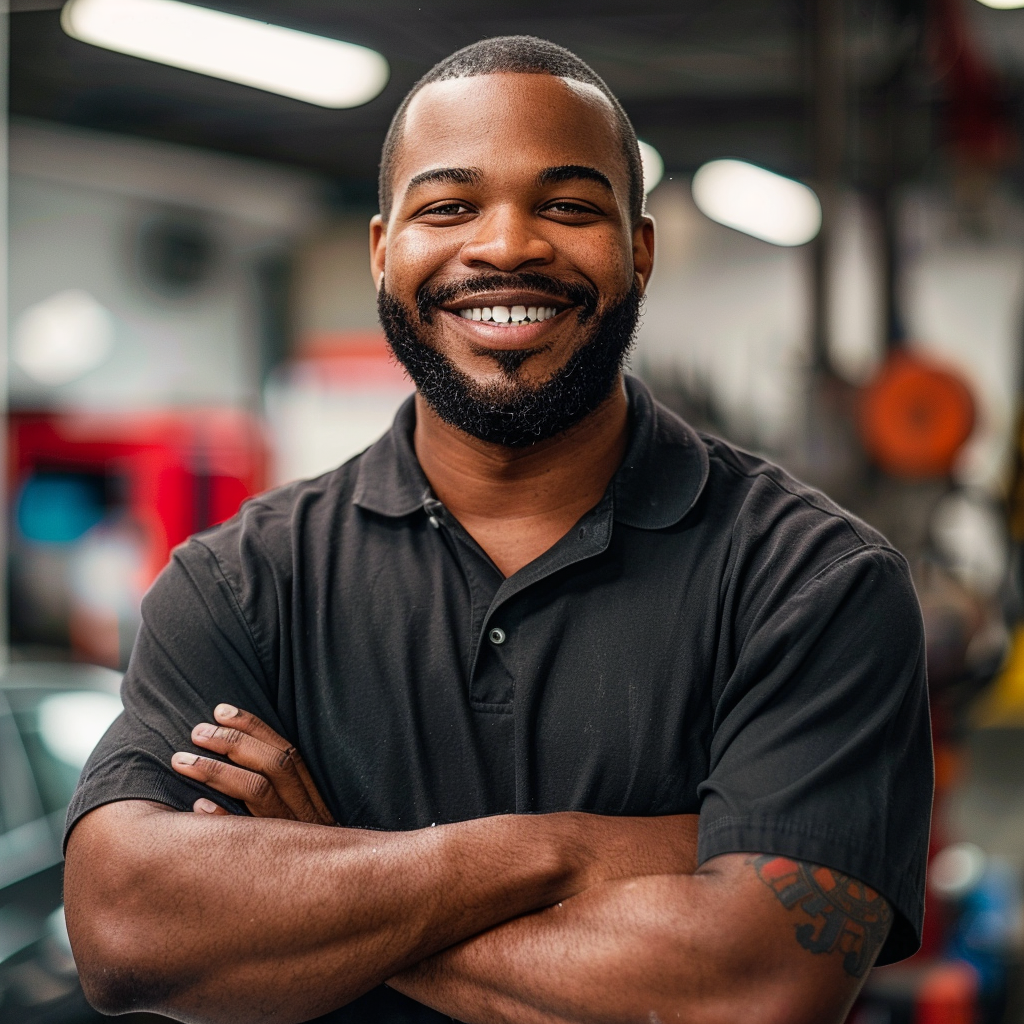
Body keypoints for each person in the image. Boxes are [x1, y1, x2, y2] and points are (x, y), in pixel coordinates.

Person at [63, 36, 932, 1024]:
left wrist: (320, 882)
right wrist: (565, 851)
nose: (508, 244)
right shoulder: (243, 586)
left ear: (637, 249)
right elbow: (124, 929)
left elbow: (748, 987)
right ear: (384, 250)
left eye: (566, 205)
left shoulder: (813, 582)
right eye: (450, 207)